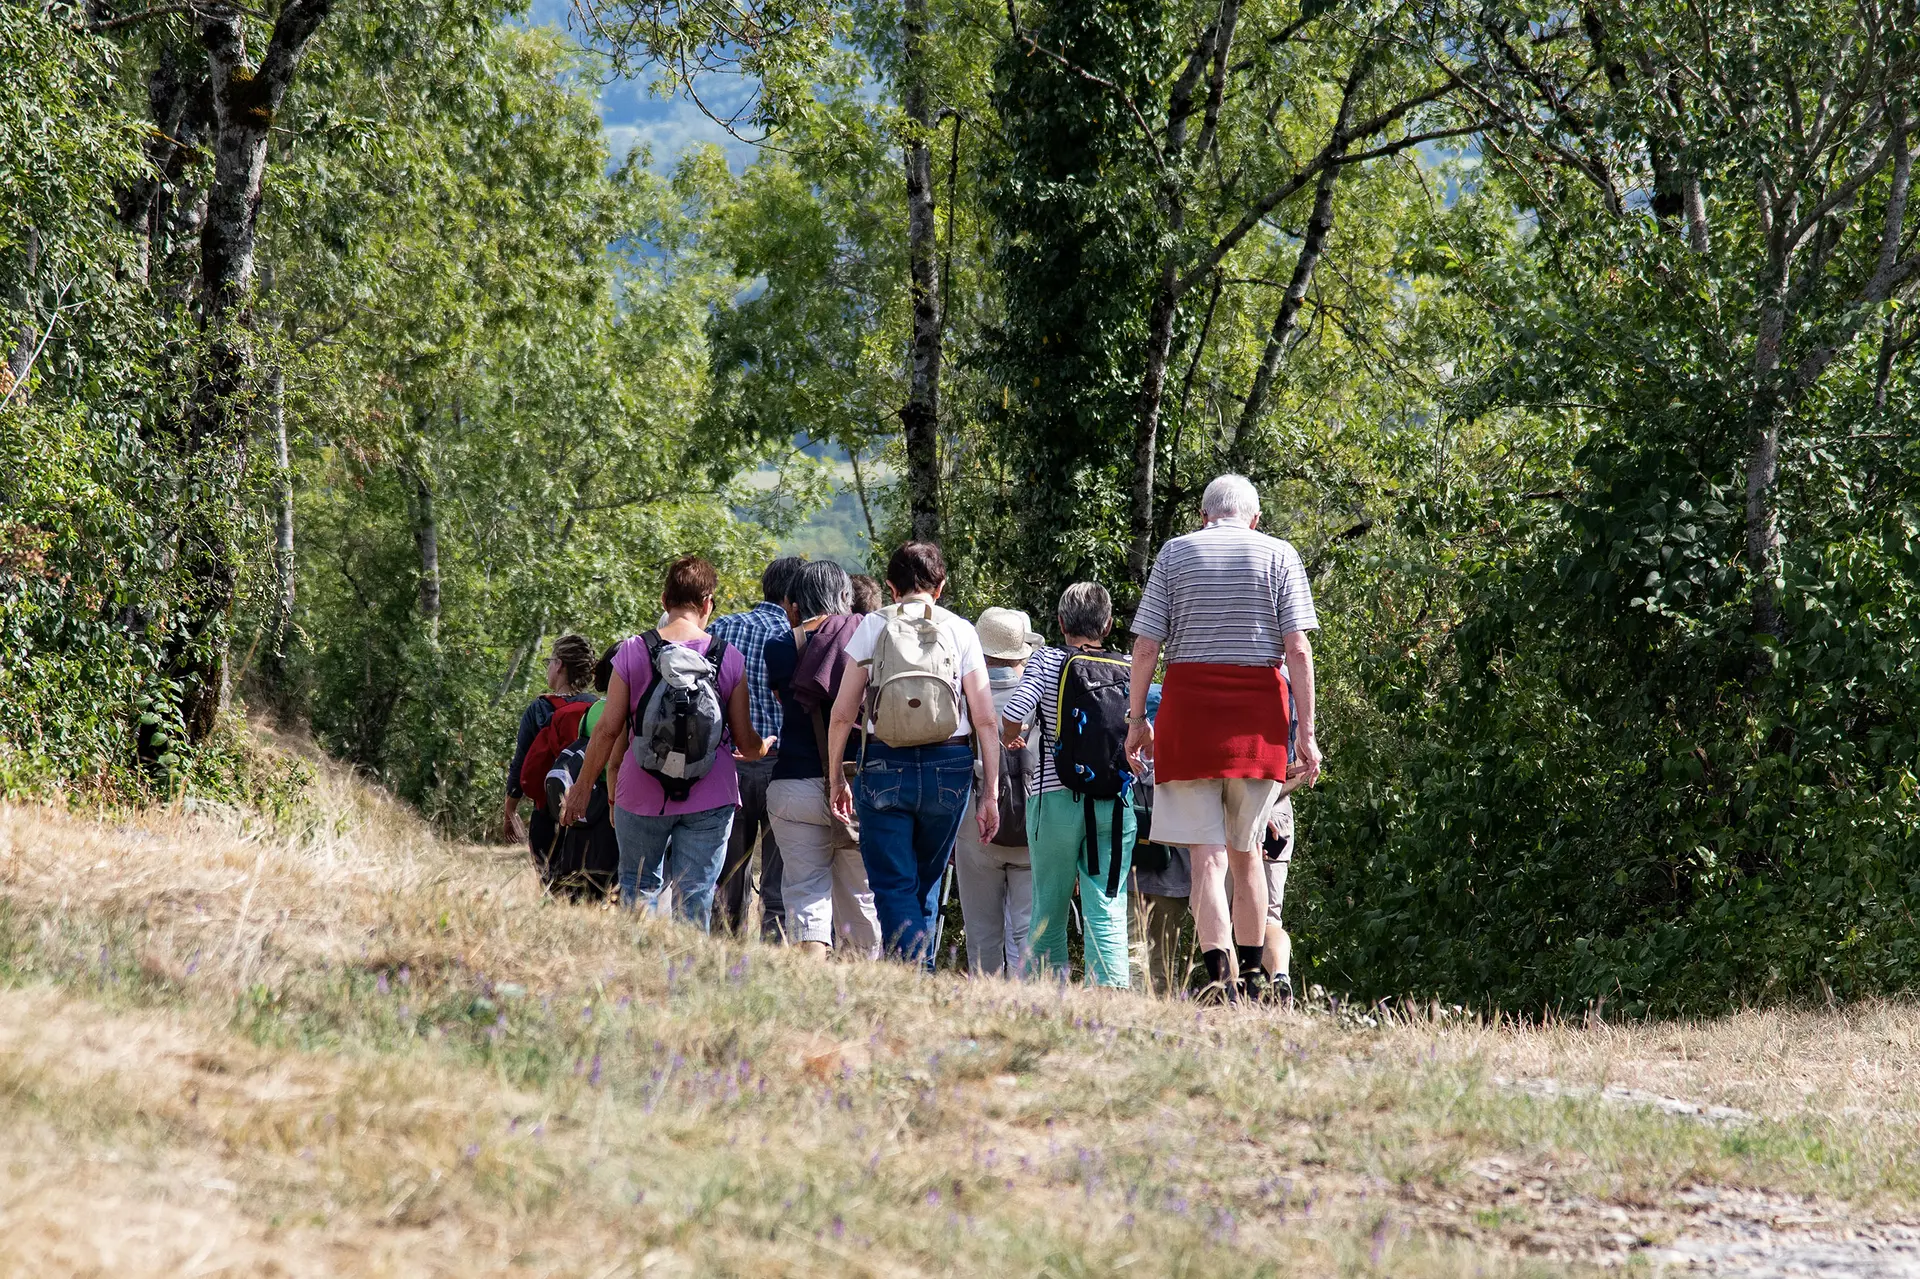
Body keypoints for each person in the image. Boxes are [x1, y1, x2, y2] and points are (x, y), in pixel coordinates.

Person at [1125, 474, 1320, 1004]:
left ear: (1203, 513)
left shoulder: (1174, 554)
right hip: (1258, 722)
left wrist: (1137, 718)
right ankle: (1256, 976)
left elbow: (1146, 647)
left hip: (1188, 719)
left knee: (1207, 859)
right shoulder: (1280, 555)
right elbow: (1298, 649)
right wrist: (1306, 732)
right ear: (1254, 518)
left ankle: (1220, 980)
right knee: (1248, 854)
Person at [559, 556, 771, 928]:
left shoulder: (632, 651)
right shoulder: (729, 658)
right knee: (696, 894)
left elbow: (608, 730)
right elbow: (744, 740)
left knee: (638, 887)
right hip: (711, 794)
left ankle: (641, 975)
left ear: (663, 600)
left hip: (641, 789)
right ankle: (685, 977)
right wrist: (764, 747)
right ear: (708, 604)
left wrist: (581, 789)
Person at [825, 542, 1000, 965]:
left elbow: (843, 711)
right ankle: (917, 979)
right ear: (940, 587)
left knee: (894, 885)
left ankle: (910, 975)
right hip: (950, 766)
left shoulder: (872, 625)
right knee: (923, 881)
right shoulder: (960, 630)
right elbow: (985, 718)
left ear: (890, 585)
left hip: (884, 763)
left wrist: (836, 777)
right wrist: (991, 790)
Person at [1000, 583, 1136, 987]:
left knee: (1049, 905)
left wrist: (1014, 735)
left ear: (1060, 623)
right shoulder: (1129, 665)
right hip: (1114, 800)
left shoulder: (1046, 660)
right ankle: (1110, 993)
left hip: (1053, 797)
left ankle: (1045, 992)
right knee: (1106, 901)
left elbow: (1014, 710)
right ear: (1108, 625)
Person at [763, 561, 882, 958]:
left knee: (805, 894)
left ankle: (810, 987)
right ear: (846, 597)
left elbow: (786, 700)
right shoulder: (865, 641)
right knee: (860, 897)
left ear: (795, 603)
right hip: (854, 785)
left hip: (792, 785)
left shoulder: (780, 646)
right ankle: (863, 990)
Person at [708, 555, 808, 941]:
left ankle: (722, 956)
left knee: (729, 874)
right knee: (779, 881)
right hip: (784, 768)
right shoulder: (800, 638)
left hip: (728, 766)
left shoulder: (723, 627)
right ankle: (773, 949)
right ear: (794, 596)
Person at [953, 606, 1039, 977]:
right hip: (1034, 819)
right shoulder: (1041, 691)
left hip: (976, 819)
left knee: (982, 931)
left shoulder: (963, 691)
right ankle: (1025, 1005)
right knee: (1025, 928)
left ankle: (983, 1003)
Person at [503, 634, 597, 867]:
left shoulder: (538, 709)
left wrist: (510, 810)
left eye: (550, 661)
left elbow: (521, 762)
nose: (549, 667)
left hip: (547, 810)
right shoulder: (598, 707)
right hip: (591, 810)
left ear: (560, 665)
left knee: (550, 882)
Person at [1130, 681, 1195, 997]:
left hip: (1130, 874)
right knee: (1163, 963)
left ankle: (1126, 1016)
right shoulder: (1189, 765)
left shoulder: (1124, 766)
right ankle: (1160, 1023)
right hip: (1176, 879)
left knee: (1130, 953)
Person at [547, 644, 624, 901]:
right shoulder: (625, 713)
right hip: (610, 805)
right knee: (608, 883)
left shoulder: (593, 711)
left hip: (585, 804)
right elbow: (615, 763)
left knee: (578, 882)